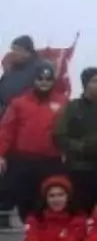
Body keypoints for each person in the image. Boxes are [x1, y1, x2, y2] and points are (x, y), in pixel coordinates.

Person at [53, 68, 97, 213]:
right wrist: (81, 147)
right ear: (85, 84)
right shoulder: (73, 108)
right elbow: (59, 136)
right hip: (80, 169)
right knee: (81, 210)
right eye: (95, 81)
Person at [0, 63, 65, 218]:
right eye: (40, 79)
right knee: (24, 202)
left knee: (48, 202)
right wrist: (1, 154)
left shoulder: (63, 102)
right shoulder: (19, 103)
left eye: (48, 79)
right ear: (34, 80)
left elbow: (69, 130)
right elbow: (6, 130)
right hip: (23, 161)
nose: (44, 82)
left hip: (51, 161)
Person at [0, 35, 40, 110]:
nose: (13, 53)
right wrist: (6, 71)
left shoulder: (38, 68)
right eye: (13, 50)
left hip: (24, 111)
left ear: (27, 52)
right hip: (5, 111)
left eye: (17, 50)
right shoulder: (12, 67)